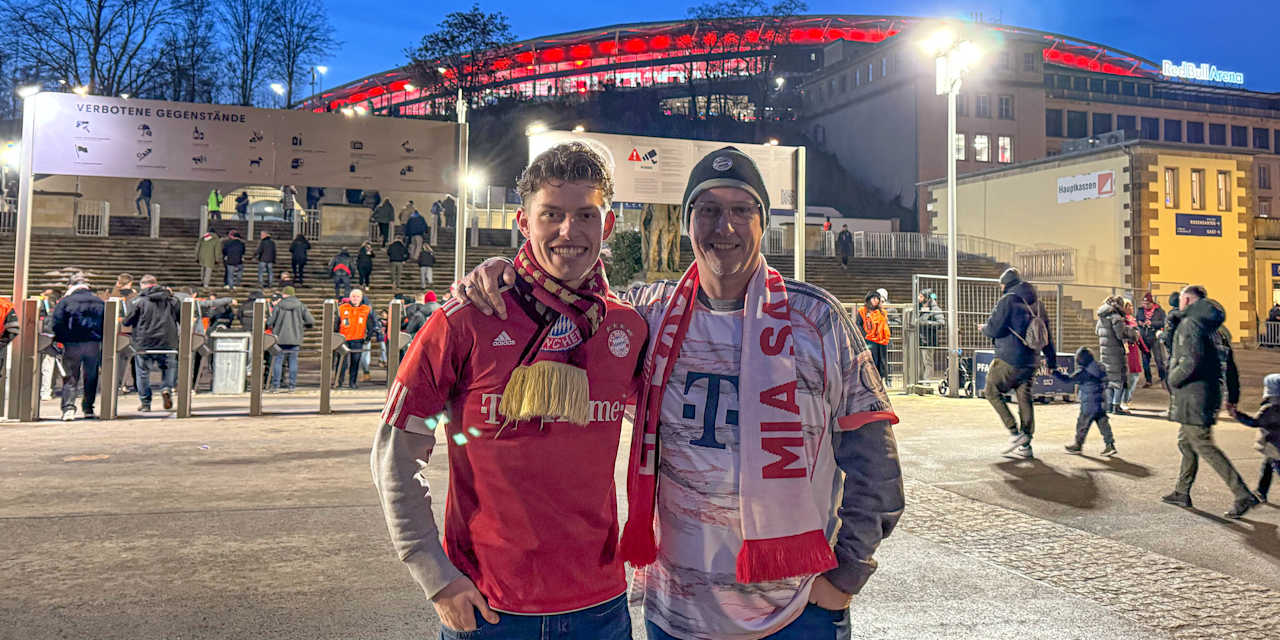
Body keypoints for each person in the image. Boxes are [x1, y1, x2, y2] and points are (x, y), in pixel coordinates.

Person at [452, 145, 903, 640]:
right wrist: (508, 271)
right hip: (678, 615)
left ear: (764, 222)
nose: (723, 227)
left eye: (740, 210)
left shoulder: (818, 319)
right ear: (688, 222)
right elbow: (574, 293)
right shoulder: (650, 312)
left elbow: (875, 460)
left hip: (796, 608)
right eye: (707, 211)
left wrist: (847, 573)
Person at [1161, 285, 1259, 519]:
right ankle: (1182, 491)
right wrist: (1232, 396)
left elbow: (1188, 361)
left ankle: (1242, 494)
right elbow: (1230, 366)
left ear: (1187, 300)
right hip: (1209, 392)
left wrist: (1171, 380)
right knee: (1186, 442)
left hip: (1194, 395)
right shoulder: (1218, 329)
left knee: (1203, 444)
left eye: (1182, 301)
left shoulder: (1190, 325)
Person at [980, 267, 1057, 460]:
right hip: (1032, 359)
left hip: (1009, 358)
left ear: (1004, 284)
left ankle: (1014, 432)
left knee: (991, 390)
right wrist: (1051, 359)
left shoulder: (1008, 300)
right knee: (1024, 397)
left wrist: (984, 329)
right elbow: (1047, 333)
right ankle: (1026, 441)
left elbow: (994, 328)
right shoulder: (1038, 304)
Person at [51, 274, 105, 421]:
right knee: (91, 376)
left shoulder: (66, 301)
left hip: (72, 343)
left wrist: (60, 339)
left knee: (70, 377)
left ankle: (68, 408)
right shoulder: (99, 301)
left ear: (71, 286)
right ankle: (88, 408)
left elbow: (56, 322)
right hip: (93, 343)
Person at [122, 275, 179, 412]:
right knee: (169, 368)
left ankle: (146, 403)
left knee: (143, 372)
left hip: (144, 342)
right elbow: (181, 317)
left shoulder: (138, 301)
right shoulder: (171, 300)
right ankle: (166, 389)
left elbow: (127, 321)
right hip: (167, 341)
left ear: (142, 285)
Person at [1055, 347, 1116, 456]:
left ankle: (1078, 445)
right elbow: (1106, 381)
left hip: (1089, 403)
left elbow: (1068, 380)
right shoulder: (1100, 367)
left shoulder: (1083, 372)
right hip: (1101, 400)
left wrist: (1055, 373)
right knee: (1103, 424)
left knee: (1082, 424)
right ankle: (1110, 444)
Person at [1233, 374, 1280, 503]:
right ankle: (1261, 491)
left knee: (1273, 466)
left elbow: (1255, 422)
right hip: (1274, 447)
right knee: (1268, 466)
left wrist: (1237, 415)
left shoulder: (1269, 409)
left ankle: (1261, 492)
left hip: (1275, 446)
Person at [266, 286, 314, 393]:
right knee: (293, 361)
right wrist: (303, 326)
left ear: (284, 294)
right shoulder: (301, 305)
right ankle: (292, 386)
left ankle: (276, 386)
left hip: (279, 338)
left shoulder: (279, 305)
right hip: (295, 338)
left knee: (278, 361)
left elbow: (270, 322)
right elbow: (311, 321)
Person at [1096, 296, 1136, 414]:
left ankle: (1109, 406)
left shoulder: (1101, 317)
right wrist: (1132, 332)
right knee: (1119, 380)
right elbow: (1121, 334)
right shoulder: (1116, 318)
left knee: (1109, 380)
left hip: (1105, 352)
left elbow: (1097, 331)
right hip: (1116, 352)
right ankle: (1116, 406)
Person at [335, 288, 374, 389]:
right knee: (341, 362)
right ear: (350, 297)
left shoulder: (366, 309)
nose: (355, 298)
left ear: (361, 298)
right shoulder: (342, 308)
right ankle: (338, 382)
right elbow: (336, 323)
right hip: (343, 339)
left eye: (358, 296)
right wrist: (335, 337)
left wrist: (368, 337)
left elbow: (371, 324)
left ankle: (352, 382)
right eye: (353, 296)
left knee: (355, 362)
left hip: (358, 339)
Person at [1120, 300, 1148, 411]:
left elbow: (1138, 336)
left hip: (1135, 349)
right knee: (1131, 376)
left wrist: (1144, 349)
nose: (1132, 307)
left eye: (1132, 305)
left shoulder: (1132, 319)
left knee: (1135, 375)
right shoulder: (1123, 320)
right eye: (1129, 305)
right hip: (1128, 350)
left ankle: (1127, 398)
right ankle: (1124, 399)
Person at [859, 290, 891, 383]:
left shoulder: (882, 312)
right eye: (874, 298)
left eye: (877, 298)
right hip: (869, 340)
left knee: (882, 362)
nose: (876, 300)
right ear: (869, 299)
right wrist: (865, 335)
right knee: (871, 360)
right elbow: (859, 324)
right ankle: (870, 381)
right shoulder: (862, 311)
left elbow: (885, 325)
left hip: (881, 340)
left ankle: (880, 381)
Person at [1136, 292, 1167, 386]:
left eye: (1147, 304)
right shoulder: (1140, 310)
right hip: (1144, 338)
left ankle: (1163, 378)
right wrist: (1140, 323)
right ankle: (1148, 380)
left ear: (1152, 303)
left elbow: (1163, 322)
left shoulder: (1159, 311)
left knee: (1159, 359)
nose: (1145, 305)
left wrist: (1152, 323)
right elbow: (1137, 319)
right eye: (1144, 304)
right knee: (1145, 360)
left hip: (1154, 337)